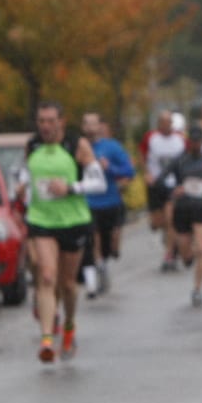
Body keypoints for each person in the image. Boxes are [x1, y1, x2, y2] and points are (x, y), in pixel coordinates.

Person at [19, 101, 102, 363]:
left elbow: (99, 182)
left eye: (50, 121)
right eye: (41, 120)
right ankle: (46, 339)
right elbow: (25, 174)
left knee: (67, 285)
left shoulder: (77, 146)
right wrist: (20, 188)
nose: (44, 126)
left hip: (73, 221)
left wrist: (71, 188)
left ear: (61, 122)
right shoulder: (32, 145)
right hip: (42, 220)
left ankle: (69, 325)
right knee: (46, 277)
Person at [160, 126, 202, 307]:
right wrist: (173, 190)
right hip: (182, 210)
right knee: (187, 255)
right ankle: (186, 256)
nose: (196, 144)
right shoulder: (179, 161)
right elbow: (161, 179)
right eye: (193, 141)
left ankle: (197, 290)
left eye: (199, 141)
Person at [80, 111, 135, 296]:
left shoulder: (111, 147)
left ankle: (106, 258)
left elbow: (129, 171)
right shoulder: (78, 147)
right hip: (89, 202)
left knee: (112, 246)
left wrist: (109, 167)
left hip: (111, 201)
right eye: (86, 124)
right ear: (83, 127)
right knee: (93, 239)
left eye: (93, 124)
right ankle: (100, 269)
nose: (89, 127)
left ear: (100, 126)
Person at [143, 110, 186, 271]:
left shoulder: (180, 140)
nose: (167, 125)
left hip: (172, 185)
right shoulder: (150, 138)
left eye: (169, 122)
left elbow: (186, 160)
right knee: (157, 223)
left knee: (170, 219)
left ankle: (169, 254)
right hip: (155, 184)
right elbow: (143, 157)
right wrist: (146, 174)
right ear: (158, 123)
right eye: (163, 122)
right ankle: (169, 239)